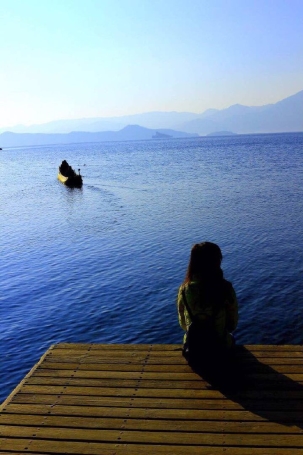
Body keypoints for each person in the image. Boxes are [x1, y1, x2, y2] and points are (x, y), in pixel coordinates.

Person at [177, 242, 238, 364]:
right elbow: (232, 324)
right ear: (216, 262)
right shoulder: (225, 288)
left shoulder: (184, 289)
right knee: (230, 340)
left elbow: (183, 324)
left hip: (193, 350)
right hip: (220, 349)